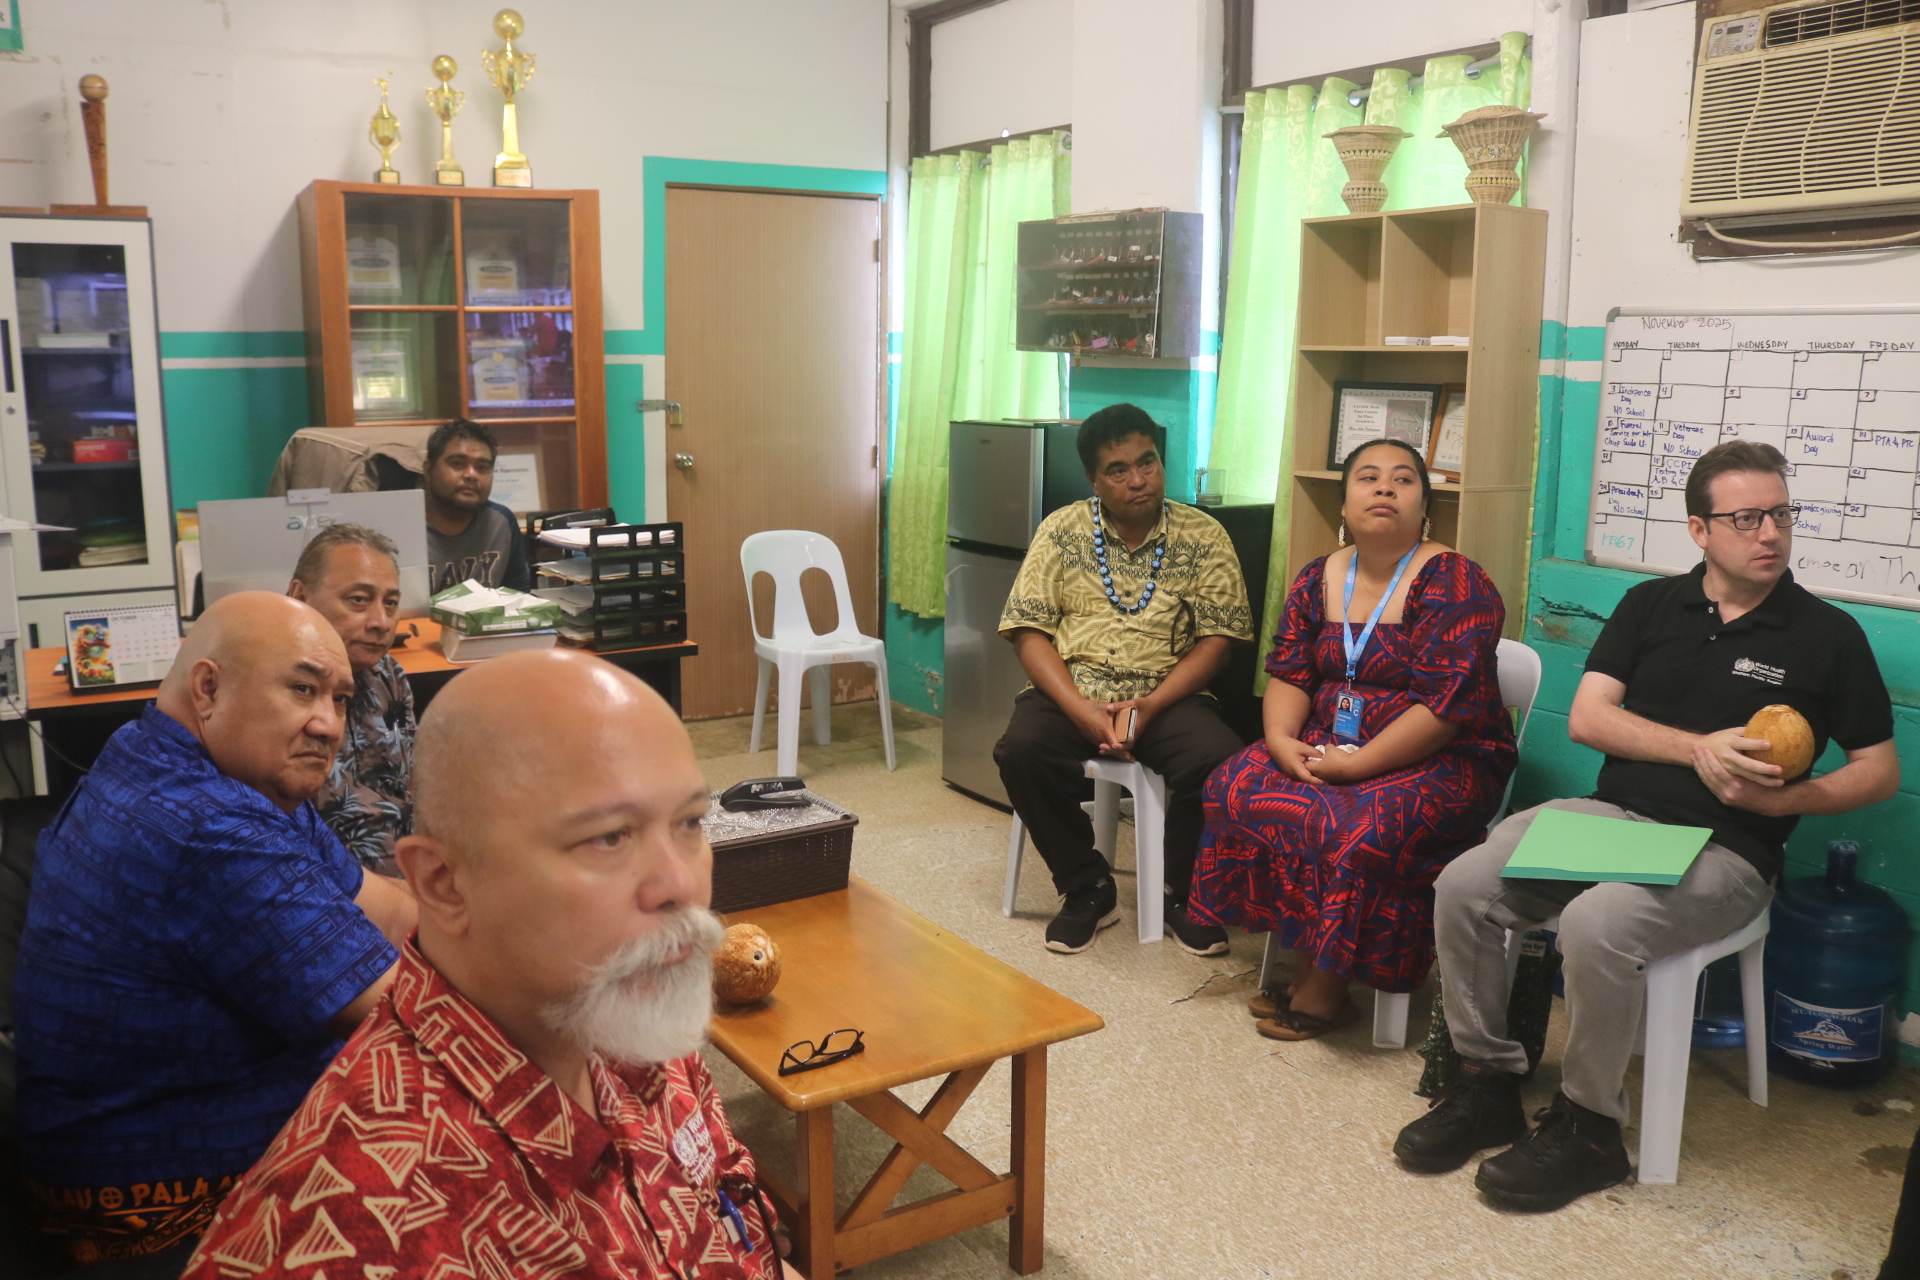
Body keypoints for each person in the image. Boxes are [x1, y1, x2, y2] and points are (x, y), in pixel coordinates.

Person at [180, 650, 798, 1280]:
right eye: (609, 836)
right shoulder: (350, 1232)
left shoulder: (625, 1001)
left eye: (690, 822)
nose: (681, 885)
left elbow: (736, 1226)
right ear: (444, 883)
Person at [1395, 440, 1899, 1212]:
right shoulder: (1649, 606)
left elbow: (1879, 769)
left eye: (1781, 514)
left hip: (1728, 849)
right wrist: (1698, 748)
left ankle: (1590, 1127)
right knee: (1464, 883)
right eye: (1747, 518)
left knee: (1598, 921)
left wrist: (1782, 803)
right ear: (1700, 530)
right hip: (1616, 817)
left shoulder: (1827, 635)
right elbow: (1590, 719)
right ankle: (1486, 1083)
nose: (1770, 533)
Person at [13, 593, 416, 1268]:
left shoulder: (178, 756)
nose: (329, 725)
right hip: (168, 1221)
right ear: (207, 689)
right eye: (302, 689)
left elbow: (392, 911)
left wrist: (499, 914)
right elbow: (414, 1014)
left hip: (187, 1158)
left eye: (341, 699)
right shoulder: (206, 826)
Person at [1187, 439, 1516, 1041]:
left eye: (1404, 480)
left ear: (1425, 507)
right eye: (1368, 477)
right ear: (1344, 504)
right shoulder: (1319, 575)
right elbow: (1290, 673)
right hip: (1330, 742)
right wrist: (1281, 741)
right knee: (1234, 785)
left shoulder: (1456, 580)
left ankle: (1324, 989)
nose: (1385, 488)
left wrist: (1358, 766)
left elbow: (1443, 710)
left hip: (1443, 759)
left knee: (1354, 825)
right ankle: (1306, 958)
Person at [994, 403, 1253, 955]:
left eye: (1147, 462)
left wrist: (1152, 705)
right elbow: (1028, 633)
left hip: (1169, 691)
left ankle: (1181, 894)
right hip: (1074, 686)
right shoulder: (1061, 530)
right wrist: (1078, 708)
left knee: (1222, 761)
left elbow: (1218, 641)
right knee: (1022, 752)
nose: (1138, 480)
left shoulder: (1204, 535)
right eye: (1118, 470)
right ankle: (1087, 885)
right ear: (1093, 479)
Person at [288, 522, 415, 876]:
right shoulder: (274, 690)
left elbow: (407, 771)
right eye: (358, 600)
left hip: (410, 868)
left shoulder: (389, 676)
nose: (381, 622)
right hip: (329, 883)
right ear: (300, 597)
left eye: (391, 604)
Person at [423, 418, 531, 595]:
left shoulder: (501, 523)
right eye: (457, 464)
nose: (471, 475)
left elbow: (518, 597)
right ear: (428, 470)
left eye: (482, 467)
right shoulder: (398, 524)